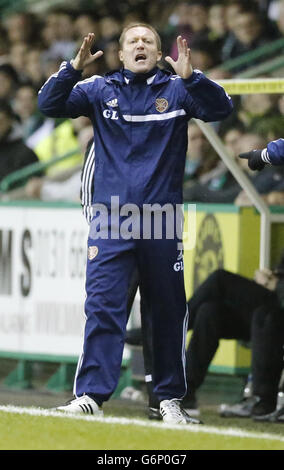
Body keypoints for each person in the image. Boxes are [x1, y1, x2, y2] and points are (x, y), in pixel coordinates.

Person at [38, 23, 232, 425]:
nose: (140, 45)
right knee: (104, 307)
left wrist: (193, 77)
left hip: (161, 221)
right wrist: (72, 69)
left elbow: (221, 109)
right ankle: (90, 394)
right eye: (132, 42)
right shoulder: (98, 89)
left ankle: (167, 400)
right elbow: (49, 104)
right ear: (122, 55)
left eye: (148, 41)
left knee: (166, 311)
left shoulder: (179, 89)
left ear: (160, 54)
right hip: (112, 220)